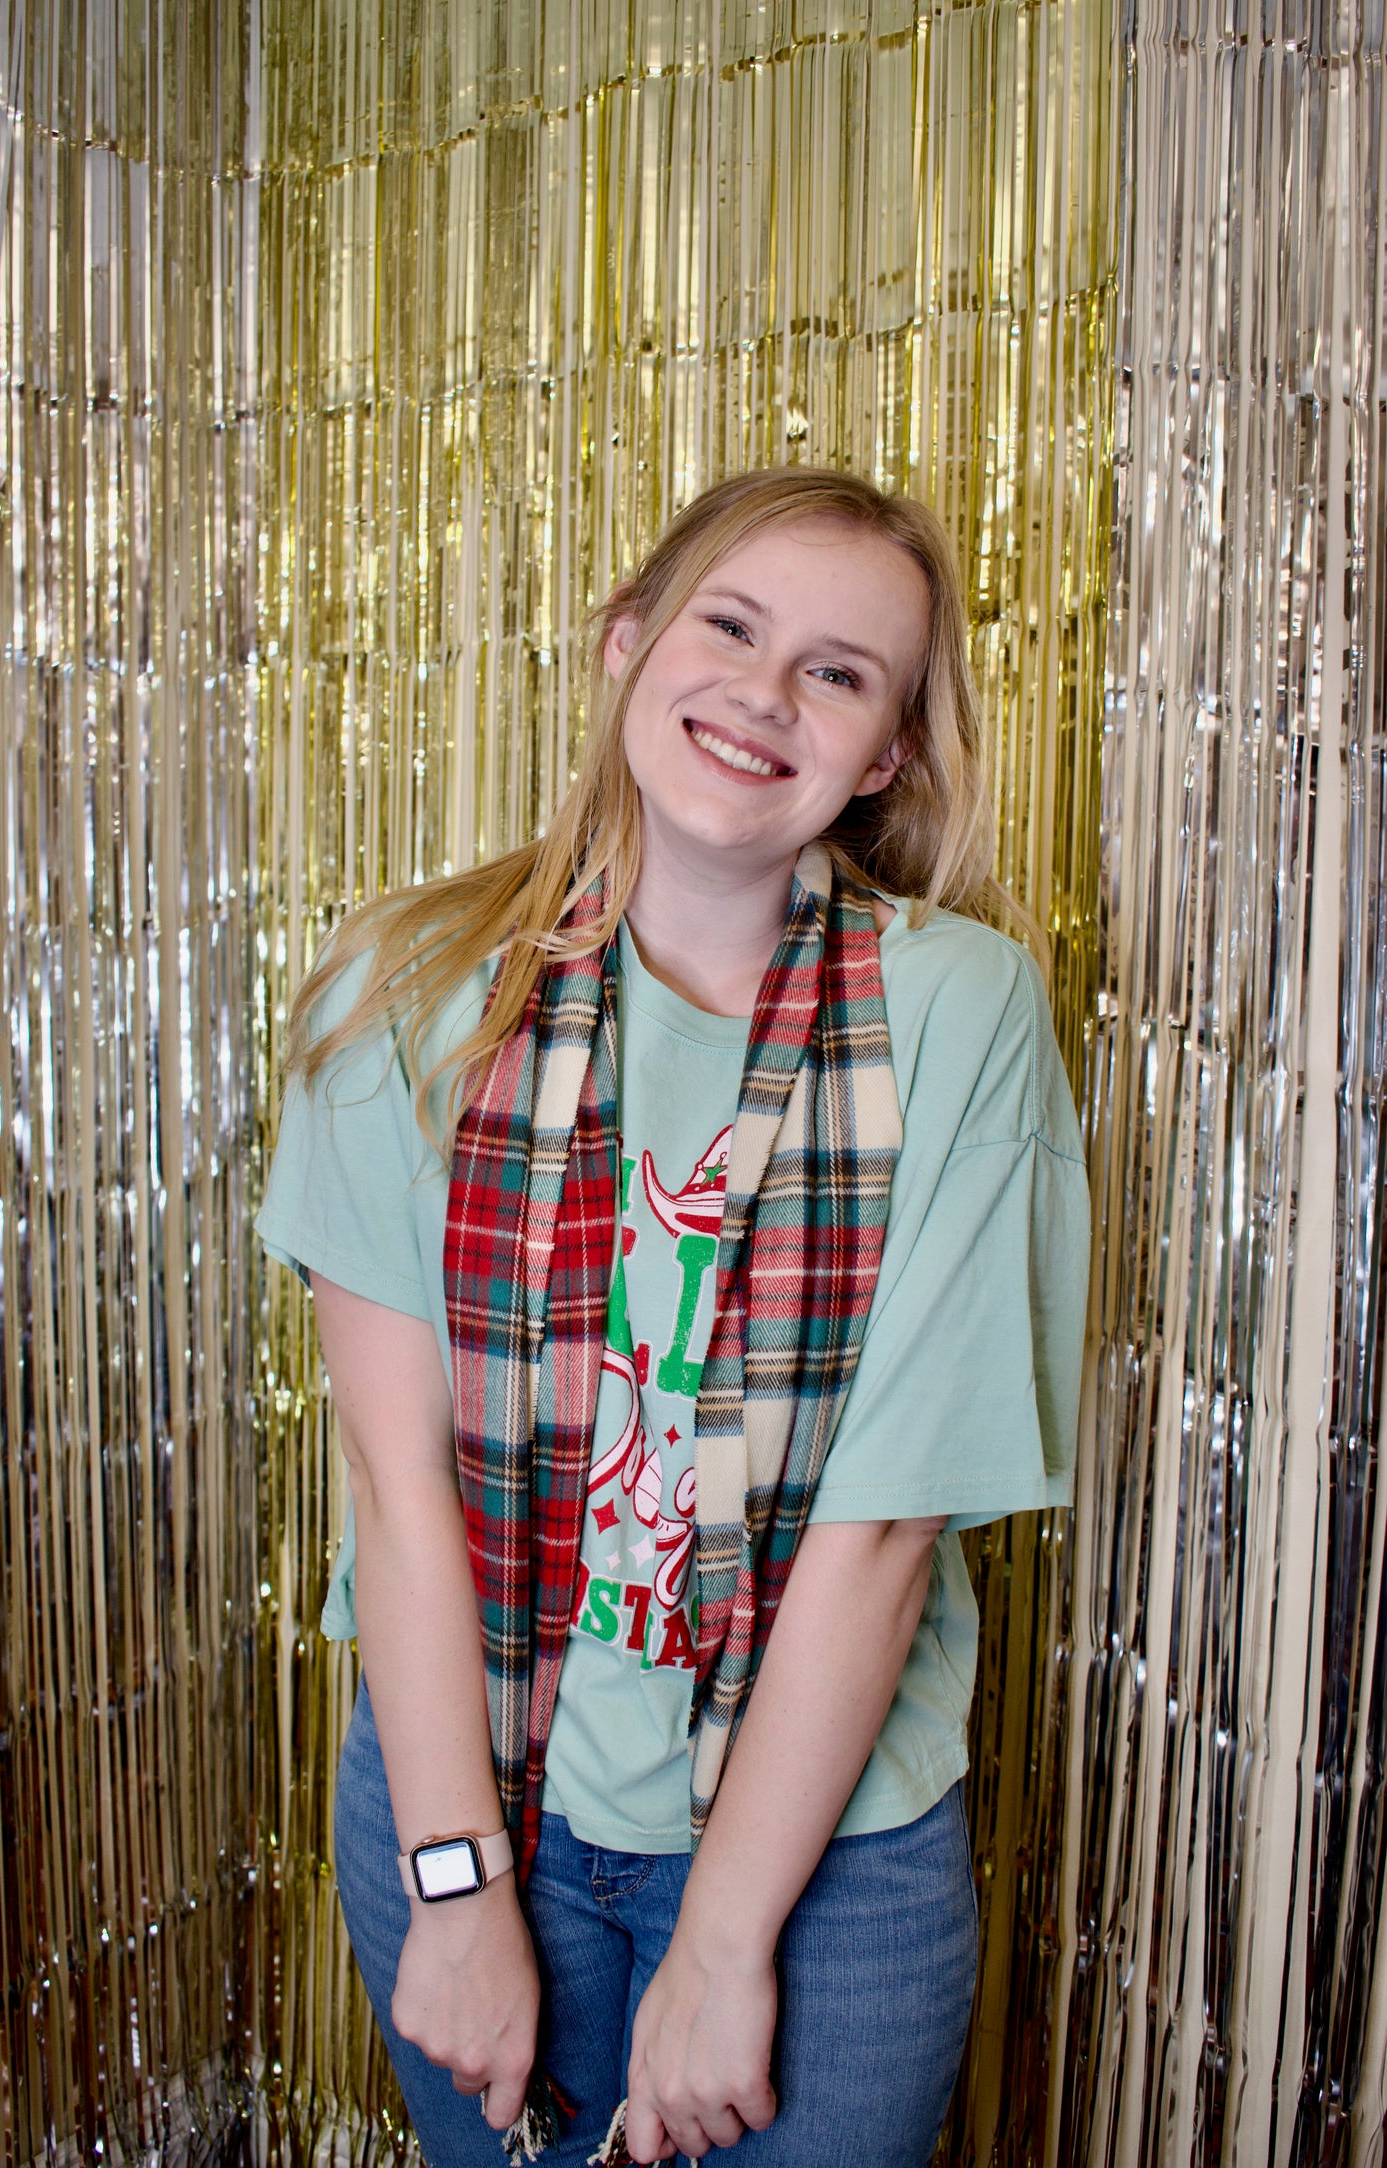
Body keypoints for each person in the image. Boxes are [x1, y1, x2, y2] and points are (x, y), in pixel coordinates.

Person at [257, 465, 1089, 2168]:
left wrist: (724, 1947)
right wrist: (456, 1886)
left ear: (890, 755)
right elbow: (401, 1498)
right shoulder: (401, 990)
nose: (764, 694)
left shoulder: (957, 1011)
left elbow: (877, 1535)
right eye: (727, 625)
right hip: (472, 1801)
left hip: (828, 1852)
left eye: (840, 672)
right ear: (625, 641)